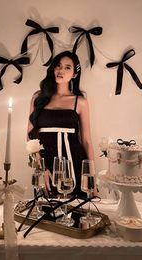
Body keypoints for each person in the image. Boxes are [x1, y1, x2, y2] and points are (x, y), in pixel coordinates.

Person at [27, 51, 94, 197]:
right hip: (47, 167)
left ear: (74, 74)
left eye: (67, 67)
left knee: (76, 216)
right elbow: (30, 138)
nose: (61, 70)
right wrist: (41, 168)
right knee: (46, 215)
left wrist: (91, 179)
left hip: (76, 164)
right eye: (58, 66)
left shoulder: (80, 102)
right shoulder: (38, 98)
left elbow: (87, 141)